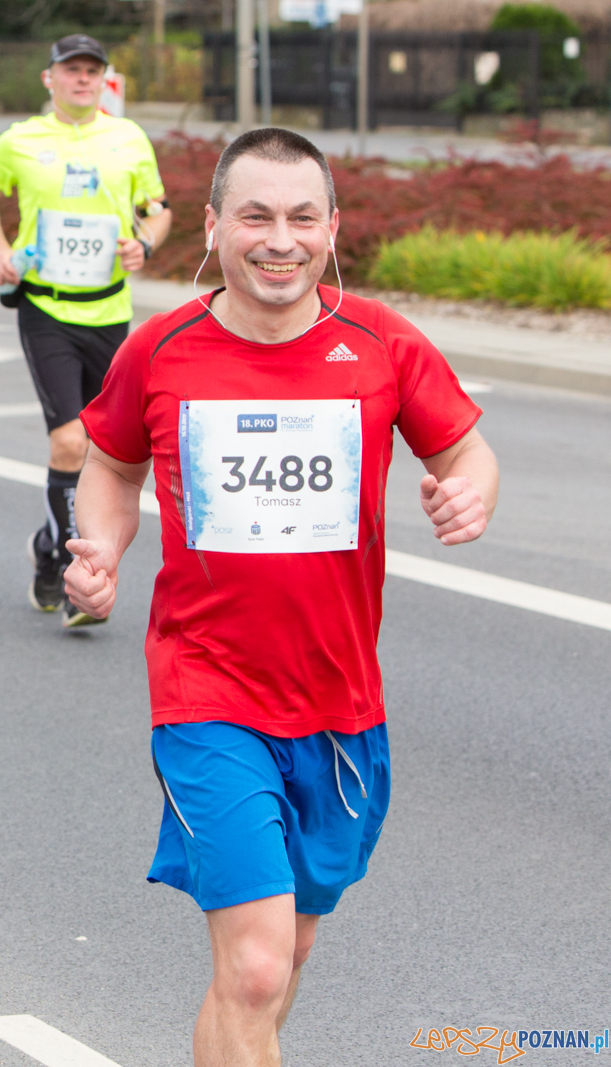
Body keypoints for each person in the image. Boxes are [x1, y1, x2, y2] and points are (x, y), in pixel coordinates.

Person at [64, 128, 499, 1067]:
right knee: (257, 967)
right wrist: (99, 548)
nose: (280, 239)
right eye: (255, 216)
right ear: (214, 226)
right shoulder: (162, 348)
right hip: (207, 694)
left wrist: (471, 489)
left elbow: (465, 449)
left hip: (341, 704)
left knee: (279, 958)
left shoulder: (379, 341)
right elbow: (110, 464)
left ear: (332, 228)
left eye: (303, 218)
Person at [0, 33, 171, 629]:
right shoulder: (20, 139)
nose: (83, 79)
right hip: (46, 308)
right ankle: (67, 565)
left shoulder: (128, 138)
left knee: (107, 448)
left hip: (109, 310)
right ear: (49, 78)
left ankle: (50, 541)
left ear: (104, 81)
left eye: (92, 71)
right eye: (71, 70)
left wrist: (147, 242)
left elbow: (157, 207)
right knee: (70, 441)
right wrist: (1, 250)